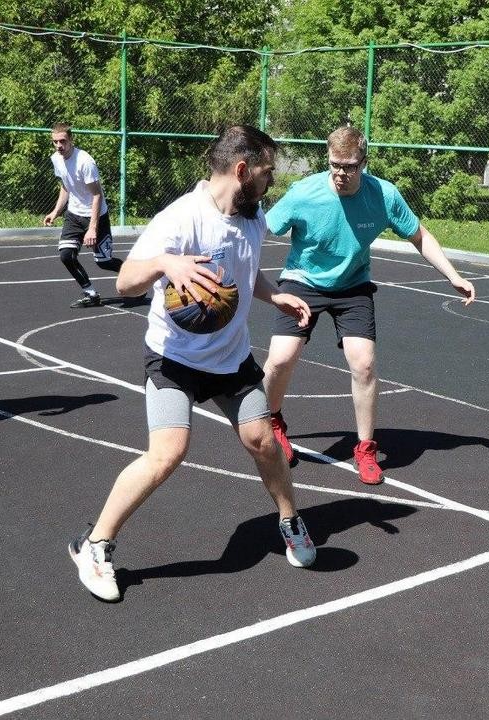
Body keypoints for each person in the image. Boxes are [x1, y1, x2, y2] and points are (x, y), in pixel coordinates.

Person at [69, 125, 317, 602]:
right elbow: (123, 283)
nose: (271, 184)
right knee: (168, 452)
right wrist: (168, 263)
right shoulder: (180, 219)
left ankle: (290, 521)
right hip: (174, 359)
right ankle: (94, 545)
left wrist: (274, 296)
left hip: (232, 358)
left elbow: (244, 270)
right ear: (242, 170)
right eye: (267, 174)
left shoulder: (252, 215)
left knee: (263, 440)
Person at [262, 125, 476, 485]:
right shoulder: (304, 193)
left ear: (364, 161)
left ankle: (365, 448)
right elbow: (261, 231)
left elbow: (420, 236)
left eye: (349, 166)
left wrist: (452, 275)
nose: (341, 174)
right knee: (281, 358)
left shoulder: (384, 195)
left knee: (364, 364)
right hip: (303, 281)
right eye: (335, 165)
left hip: (353, 287)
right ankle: (272, 421)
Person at [43, 123, 119, 309]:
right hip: (74, 215)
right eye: (55, 142)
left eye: (63, 141)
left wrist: (92, 228)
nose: (59, 145)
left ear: (71, 140)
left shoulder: (85, 162)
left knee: (104, 262)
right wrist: (55, 211)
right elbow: (65, 186)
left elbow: (97, 195)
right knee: (66, 255)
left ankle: (138, 279)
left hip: (95, 216)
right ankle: (91, 294)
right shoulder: (56, 159)